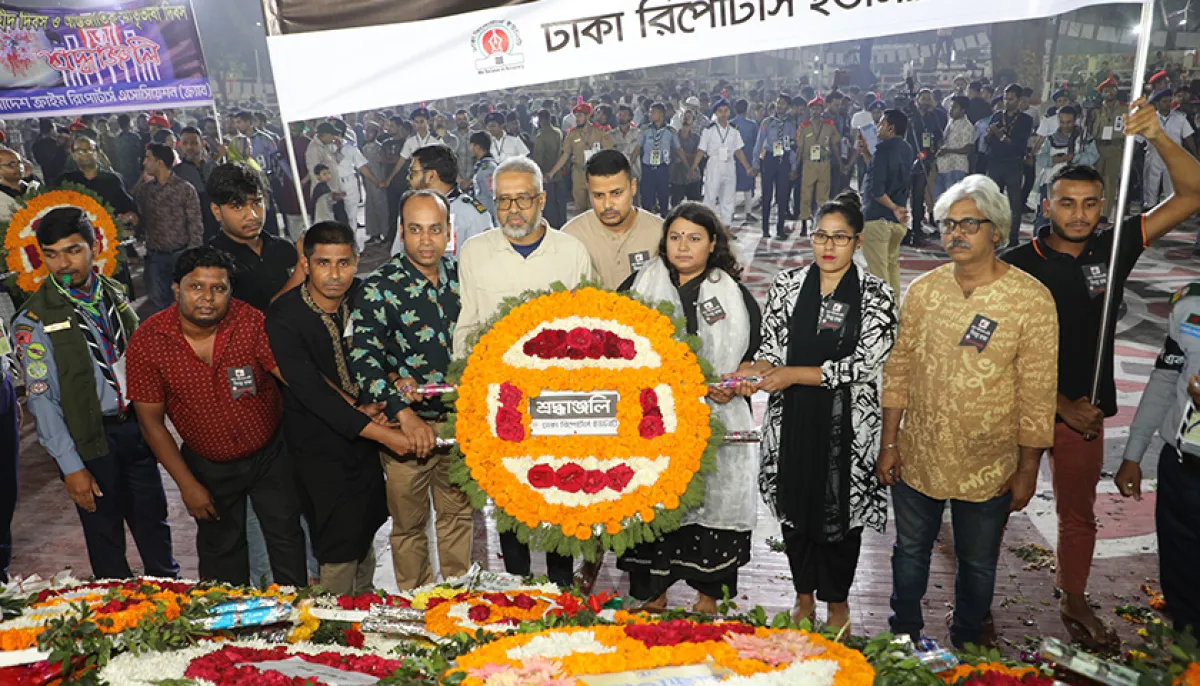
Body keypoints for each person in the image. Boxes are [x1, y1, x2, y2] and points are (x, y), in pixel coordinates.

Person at [1007, 99, 1200, 649]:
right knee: (998, 506)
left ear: (1102, 208)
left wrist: (1158, 136)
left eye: (1091, 204)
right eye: (1067, 202)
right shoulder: (1017, 262)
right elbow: (995, 358)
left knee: (1079, 514)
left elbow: (1192, 192)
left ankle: (1073, 596)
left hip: (1086, 412)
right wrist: (1054, 405)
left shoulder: (1114, 249)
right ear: (1048, 203)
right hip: (1024, 409)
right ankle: (977, 603)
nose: (1079, 214)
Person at [880, 175, 1058, 649]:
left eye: (968, 225)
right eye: (948, 225)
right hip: (919, 452)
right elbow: (898, 368)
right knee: (909, 553)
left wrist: (1027, 467)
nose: (955, 234)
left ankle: (966, 647)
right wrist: (889, 442)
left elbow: (1039, 392)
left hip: (989, 463)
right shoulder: (924, 291)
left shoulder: (1030, 299)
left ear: (996, 230)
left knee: (978, 564)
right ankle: (902, 640)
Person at [734, 192, 896, 631]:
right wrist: (757, 369)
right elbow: (771, 347)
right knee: (795, 509)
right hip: (792, 421)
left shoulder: (877, 294)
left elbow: (863, 365)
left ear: (858, 242)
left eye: (840, 238)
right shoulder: (787, 285)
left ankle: (838, 603)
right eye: (821, 235)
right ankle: (803, 598)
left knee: (842, 516)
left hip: (847, 423)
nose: (828, 246)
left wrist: (792, 374)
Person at [12, 207, 178, 580]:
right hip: (90, 441)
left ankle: (174, 615)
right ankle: (117, 625)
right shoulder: (34, 321)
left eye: (72, 250)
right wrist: (71, 468)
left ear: (94, 246)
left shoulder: (113, 295)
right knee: (106, 547)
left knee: (156, 531)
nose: (61, 263)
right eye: (51, 254)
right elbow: (42, 401)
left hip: (136, 431)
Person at [128, 247, 306, 586]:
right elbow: (151, 424)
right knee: (222, 557)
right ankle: (228, 632)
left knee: (287, 539)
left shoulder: (250, 321)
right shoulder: (149, 341)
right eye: (196, 287)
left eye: (218, 288)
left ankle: (298, 625)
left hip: (269, 454)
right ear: (176, 289)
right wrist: (187, 485)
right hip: (208, 464)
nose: (207, 298)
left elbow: (294, 377)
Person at [454, 157, 593, 587]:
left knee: (559, 496)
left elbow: (589, 329)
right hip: (502, 401)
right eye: (504, 201)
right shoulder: (475, 252)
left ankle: (560, 587)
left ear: (542, 200)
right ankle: (516, 587)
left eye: (524, 199)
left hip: (559, 403)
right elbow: (468, 323)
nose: (514, 210)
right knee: (510, 501)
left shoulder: (571, 252)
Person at [617, 202, 761, 613]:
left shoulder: (733, 293)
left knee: (711, 514)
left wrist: (732, 385)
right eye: (675, 237)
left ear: (712, 243)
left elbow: (754, 359)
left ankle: (707, 603)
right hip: (652, 424)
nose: (683, 246)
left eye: (694, 238)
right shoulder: (638, 285)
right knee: (653, 513)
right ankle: (652, 597)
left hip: (716, 424)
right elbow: (612, 347)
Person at [266, 222, 409, 594]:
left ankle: (362, 609)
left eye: (344, 263)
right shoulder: (285, 315)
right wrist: (384, 432)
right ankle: (332, 622)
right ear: (305, 264)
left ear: (356, 262)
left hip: (367, 436)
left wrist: (386, 393)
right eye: (323, 263)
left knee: (365, 524)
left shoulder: (365, 296)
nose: (334, 274)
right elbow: (311, 390)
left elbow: (387, 350)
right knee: (335, 535)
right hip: (317, 442)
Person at [350, 190, 474, 590]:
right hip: (405, 432)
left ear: (448, 232)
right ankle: (417, 606)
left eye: (435, 229)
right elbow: (364, 360)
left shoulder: (464, 278)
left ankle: (457, 604)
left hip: (458, 427)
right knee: (408, 527)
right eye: (415, 230)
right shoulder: (378, 287)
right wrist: (403, 412)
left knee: (457, 517)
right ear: (402, 232)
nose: (425, 240)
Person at [1119, 285, 1200, 635]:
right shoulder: (1189, 305)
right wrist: (1133, 453)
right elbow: (1166, 379)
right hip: (1181, 470)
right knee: (1180, 578)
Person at [206, 163, 304, 312]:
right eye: (238, 207)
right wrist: (299, 274)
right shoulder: (212, 263)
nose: (252, 216)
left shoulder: (284, 248)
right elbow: (254, 318)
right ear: (216, 211)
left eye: (257, 203)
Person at [563, 150, 663, 290]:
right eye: (598, 195)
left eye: (616, 193)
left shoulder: (660, 233)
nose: (608, 204)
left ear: (633, 187)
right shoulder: (572, 237)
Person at [136, 143, 204, 314]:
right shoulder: (145, 191)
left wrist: (192, 256)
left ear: (159, 163)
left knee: (186, 304)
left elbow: (195, 224)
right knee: (159, 305)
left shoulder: (184, 189)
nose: (144, 163)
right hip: (154, 257)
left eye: (148, 158)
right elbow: (140, 220)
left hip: (180, 255)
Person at [390, 145, 492, 255]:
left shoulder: (471, 214)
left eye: (413, 172)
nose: (408, 178)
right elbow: (398, 254)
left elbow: (483, 260)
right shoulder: (409, 209)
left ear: (431, 176)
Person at [860, 109, 915, 296]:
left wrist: (893, 207)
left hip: (878, 220)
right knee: (892, 271)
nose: (878, 127)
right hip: (897, 224)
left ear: (891, 128)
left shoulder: (882, 150)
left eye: (881, 123)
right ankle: (894, 315)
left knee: (879, 276)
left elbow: (877, 190)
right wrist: (867, 155)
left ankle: (882, 318)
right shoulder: (907, 150)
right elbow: (883, 175)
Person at [691, 100, 755, 227]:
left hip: (729, 164)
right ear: (716, 113)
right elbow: (701, 150)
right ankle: (707, 225)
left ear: (729, 112)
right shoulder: (709, 130)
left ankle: (726, 226)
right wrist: (693, 167)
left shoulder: (734, 130)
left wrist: (747, 167)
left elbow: (738, 150)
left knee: (729, 196)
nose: (723, 114)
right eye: (720, 111)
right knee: (710, 195)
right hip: (714, 164)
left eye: (726, 111)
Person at [985, 84, 1034, 249]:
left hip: (1013, 163)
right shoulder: (997, 116)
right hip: (995, 162)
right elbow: (987, 142)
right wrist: (990, 134)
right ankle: (994, 235)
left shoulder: (1025, 120)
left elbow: (1018, 146)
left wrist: (1000, 136)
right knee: (994, 202)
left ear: (1019, 100)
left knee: (1014, 203)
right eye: (1005, 98)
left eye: (1011, 99)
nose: (1007, 102)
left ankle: (1013, 237)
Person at [1034, 107, 1097, 226]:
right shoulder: (1051, 138)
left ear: (1075, 121)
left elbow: (1093, 156)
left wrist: (1074, 158)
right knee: (1044, 216)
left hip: (1076, 183)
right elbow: (1040, 158)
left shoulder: (1084, 138)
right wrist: (1053, 160)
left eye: (1068, 122)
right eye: (1062, 122)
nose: (1065, 125)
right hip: (1051, 181)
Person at [58, 135, 138, 228]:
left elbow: (127, 206)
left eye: (88, 149)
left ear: (99, 154)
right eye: (78, 150)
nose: (83, 153)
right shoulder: (65, 181)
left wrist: (130, 215)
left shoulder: (112, 179)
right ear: (73, 155)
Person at [548, 103, 614, 215]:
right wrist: (551, 173)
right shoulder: (572, 134)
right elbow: (565, 155)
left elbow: (609, 152)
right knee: (579, 208)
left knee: (595, 206)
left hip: (595, 173)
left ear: (588, 116)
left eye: (580, 115)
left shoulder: (599, 132)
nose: (577, 118)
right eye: (576, 115)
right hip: (578, 173)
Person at [1142, 89, 1197, 208]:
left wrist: (1195, 156)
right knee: (1151, 187)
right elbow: (1138, 140)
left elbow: (1188, 137)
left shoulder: (1180, 118)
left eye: (1169, 101)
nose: (1167, 104)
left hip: (1173, 157)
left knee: (1171, 190)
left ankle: (1169, 217)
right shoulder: (1148, 119)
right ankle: (1149, 214)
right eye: (1164, 101)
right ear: (1157, 104)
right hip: (1154, 155)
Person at [753, 94, 798, 240]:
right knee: (766, 195)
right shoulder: (767, 122)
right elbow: (759, 143)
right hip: (769, 159)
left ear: (788, 107)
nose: (779, 106)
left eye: (783, 104)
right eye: (778, 103)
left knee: (782, 196)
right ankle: (765, 229)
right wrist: (755, 163)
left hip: (783, 160)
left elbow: (791, 147)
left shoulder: (790, 125)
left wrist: (793, 167)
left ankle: (780, 229)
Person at [632, 103, 685, 217]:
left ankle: (664, 220)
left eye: (652, 112)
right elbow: (637, 148)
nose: (649, 114)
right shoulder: (645, 129)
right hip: (647, 168)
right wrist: (629, 164)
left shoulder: (670, 131)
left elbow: (678, 149)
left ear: (661, 114)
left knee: (664, 195)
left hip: (663, 167)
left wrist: (688, 166)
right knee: (646, 197)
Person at [794, 96, 837, 235]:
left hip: (824, 162)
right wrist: (795, 166)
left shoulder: (830, 125)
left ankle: (820, 224)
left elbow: (835, 144)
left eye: (818, 108)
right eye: (813, 108)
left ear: (823, 110)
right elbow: (800, 148)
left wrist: (841, 162)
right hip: (809, 163)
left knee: (823, 196)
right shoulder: (804, 126)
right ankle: (804, 224)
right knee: (805, 194)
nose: (815, 111)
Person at [1087, 75, 1125, 222]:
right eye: (1105, 90)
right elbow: (1090, 130)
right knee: (1096, 181)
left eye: (1111, 89)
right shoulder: (1096, 110)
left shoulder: (1124, 108)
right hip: (1098, 147)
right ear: (1101, 93)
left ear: (1116, 91)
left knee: (1110, 182)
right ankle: (1094, 210)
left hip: (1115, 147)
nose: (1108, 93)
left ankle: (1105, 214)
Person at [174, 127, 221, 244]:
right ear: (179, 145)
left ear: (202, 144)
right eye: (185, 143)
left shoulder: (213, 167)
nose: (189, 147)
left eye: (194, 143)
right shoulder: (176, 173)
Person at [532, 109, 568, 228]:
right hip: (559, 173)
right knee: (561, 204)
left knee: (550, 206)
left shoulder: (540, 137)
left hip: (546, 176)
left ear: (540, 120)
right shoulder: (558, 132)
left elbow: (538, 158)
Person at [936, 96, 975, 202]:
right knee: (941, 200)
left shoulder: (967, 126)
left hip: (956, 168)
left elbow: (968, 148)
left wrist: (948, 150)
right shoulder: (951, 122)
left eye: (954, 107)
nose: (951, 110)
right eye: (950, 107)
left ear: (963, 110)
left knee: (954, 201)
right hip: (943, 166)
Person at [730, 98, 758, 219]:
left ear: (735, 109)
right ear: (747, 109)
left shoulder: (730, 124)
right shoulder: (752, 125)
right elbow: (757, 143)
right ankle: (748, 213)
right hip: (748, 158)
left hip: (732, 159)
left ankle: (730, 213)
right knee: (747, 187)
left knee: (731, 187)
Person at [468, 131, 499, 223]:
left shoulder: (488, 168)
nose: (470, 148)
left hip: (488, 212)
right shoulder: (481, 165)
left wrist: (492, 218)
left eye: (471, 145)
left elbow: (491, 195)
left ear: (477, 147)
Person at [0, 148, 28, 223]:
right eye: (11, 164)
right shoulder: (2, 196)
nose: (19, 167)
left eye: (20, 163)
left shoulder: (33, 188)